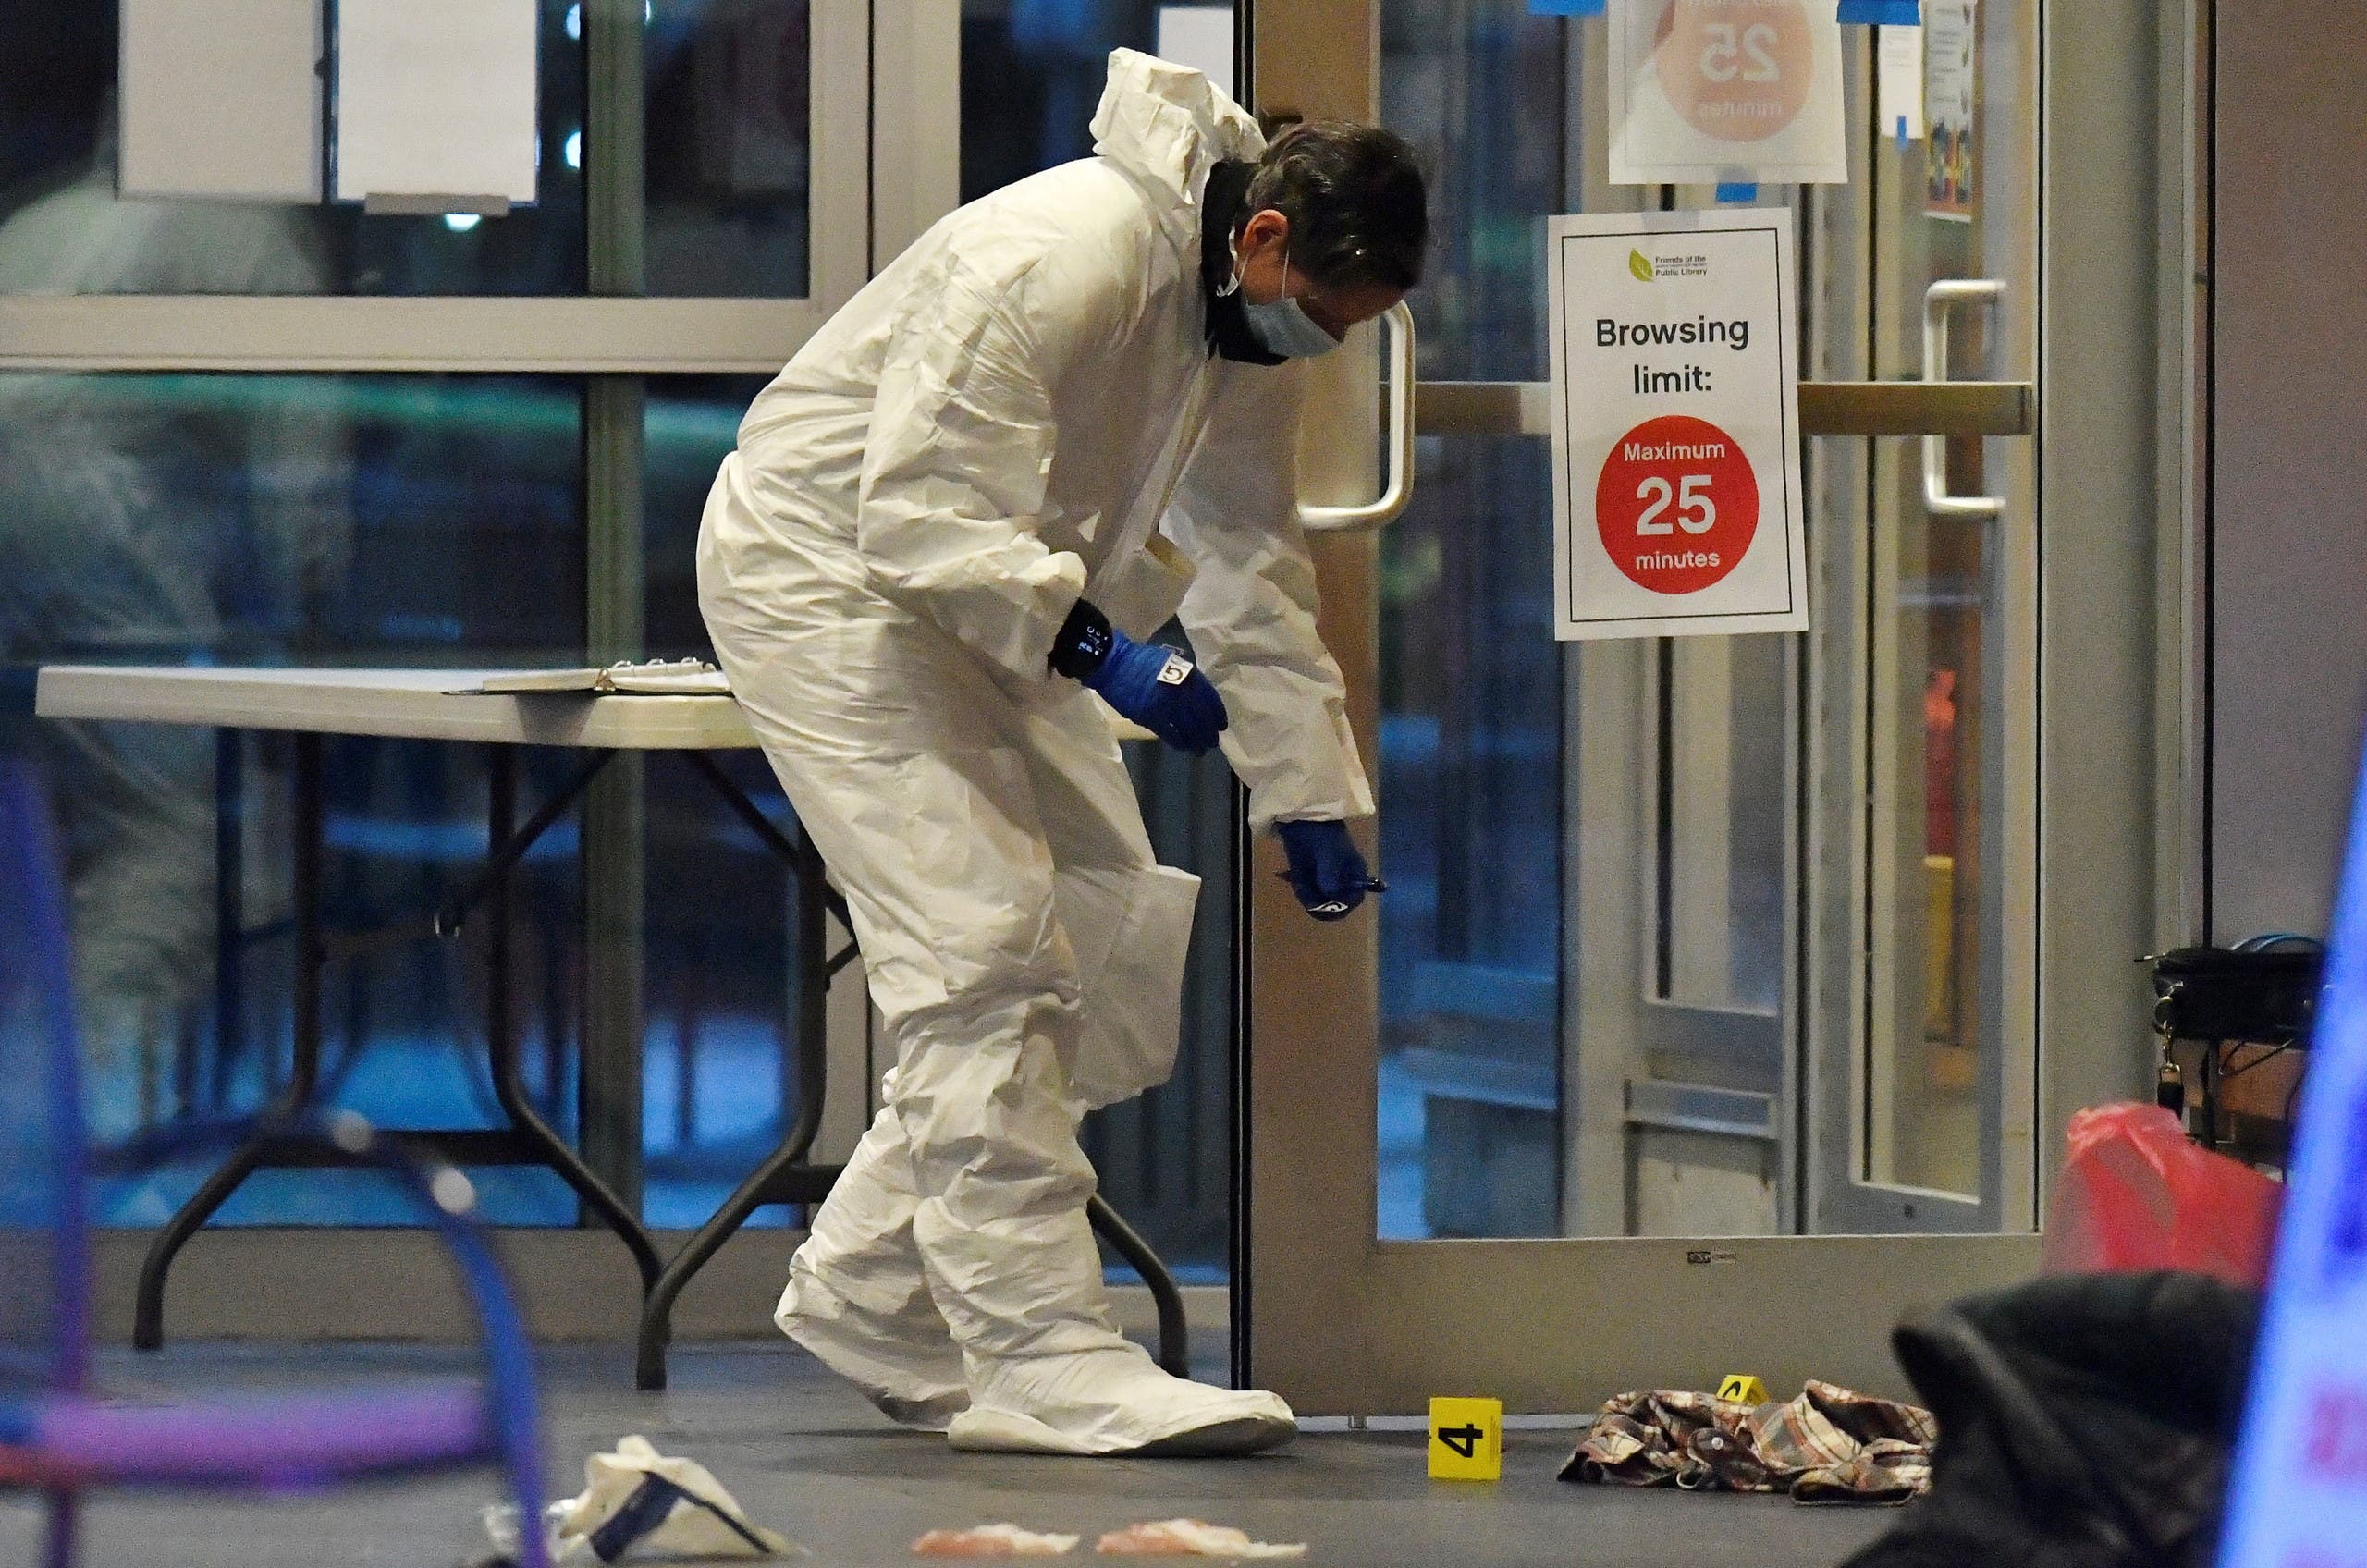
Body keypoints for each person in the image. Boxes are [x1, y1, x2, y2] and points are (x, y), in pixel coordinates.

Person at [697, 48, 1426, 1456]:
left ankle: (868, 1288)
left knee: (1100, 931)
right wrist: (1104, 656)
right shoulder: (1061, 253)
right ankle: (1040, 1352)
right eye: (1326, 316)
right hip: (825, 578)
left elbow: (1251, 567)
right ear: (1266, 238)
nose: (1322, 345)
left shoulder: (1234, 318)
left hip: (991, 595)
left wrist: (1311, 794)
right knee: (984, 957)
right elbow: (909, 520)